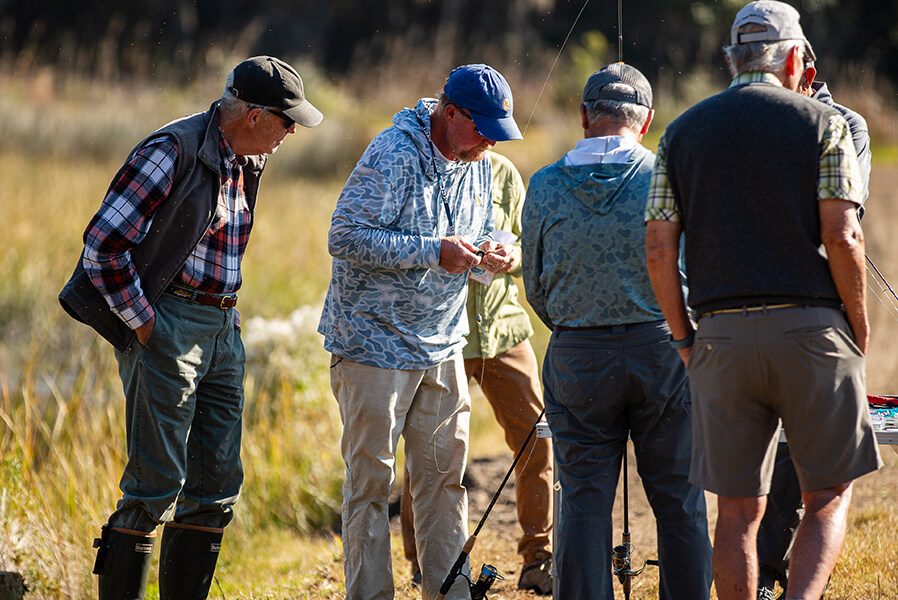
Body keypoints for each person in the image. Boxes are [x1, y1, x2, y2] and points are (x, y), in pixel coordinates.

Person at [58, 56, 323, 600]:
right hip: (168, 322)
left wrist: (226, 322)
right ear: (254, 116)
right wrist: (146, 323)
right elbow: (102, 248)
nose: (292, 132)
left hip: (224, 325)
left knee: (217, 487)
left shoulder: (249, 158)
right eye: (287, 120)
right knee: (154, 486)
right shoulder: (170, 151)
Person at [644, 3, 883, 599]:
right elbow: (843, 235)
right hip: (812, 330)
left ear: (731, 59)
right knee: (826, 496)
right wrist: (859, 324)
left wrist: (683, 338)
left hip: (719, 336)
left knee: (736, 512)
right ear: (797, 58)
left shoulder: (680, 132)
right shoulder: (825, 123)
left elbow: (656, 247)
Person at [317, 64, 522, 600]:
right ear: (449, 114)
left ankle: (449, 594)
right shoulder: (393, 153)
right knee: (370, 486)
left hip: (442, 344)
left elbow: (473, 238)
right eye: (482, 128)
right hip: (372, 347)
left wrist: (491, 255)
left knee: (444, 481)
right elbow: (344, 236)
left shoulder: (478, 160)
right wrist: (433, 251)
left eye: (498, 132)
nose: (489, 143)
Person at [521, 62, 713, 600]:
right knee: (679, 496)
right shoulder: (668, 177)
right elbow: (695, 270)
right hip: (665, 352)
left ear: (584, 117)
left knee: (582, 500)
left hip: (577, 356)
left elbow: (534, 284)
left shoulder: (543, 185)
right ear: (647, 120)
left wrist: (577, 322)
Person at [399, 150, 554, 595]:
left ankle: (537, 559)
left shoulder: (505, 172)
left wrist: (512, 257)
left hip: (504, 329)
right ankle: (423, 564)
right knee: (428, 451)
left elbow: (530, 245)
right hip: (440, 334)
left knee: (536, 440)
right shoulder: (423, 168)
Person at [756, 57, 873, 600]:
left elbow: (844, 216)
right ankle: (762, 572)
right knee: (758, 464)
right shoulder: (747, 116)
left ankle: (795, 578)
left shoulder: (847, 124)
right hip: (753, 304)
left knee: (818, 467)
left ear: (804, 70)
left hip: (817, 309)